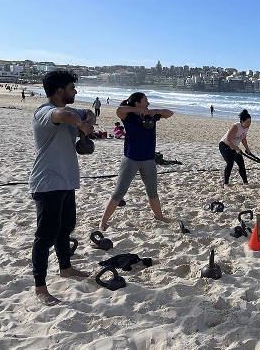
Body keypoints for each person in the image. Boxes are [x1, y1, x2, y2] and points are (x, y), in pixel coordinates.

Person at [29, 70, 96, 305]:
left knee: (64, 229)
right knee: (44, 236)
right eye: (71, 88)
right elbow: (63, 115)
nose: (75, 91)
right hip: (48, 182)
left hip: (66, 181)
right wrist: (81, 126)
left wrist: (87, 123)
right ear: (60, 91)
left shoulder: (72, 111)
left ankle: (65, 269)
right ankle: (40, 288)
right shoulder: (44, 112)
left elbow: (88, 112)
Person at [99, 92, 174, 230]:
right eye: (146, 101)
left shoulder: (152, 115)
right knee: (119, 192)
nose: (148, 103)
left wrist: (154, 111)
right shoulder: (129, 116)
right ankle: (103, 221)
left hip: (148, 160)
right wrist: (136, 110)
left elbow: (170, 113)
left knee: (152, 192)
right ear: (137, 103)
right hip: (131, 159)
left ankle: (159, 216)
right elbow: (118, 110)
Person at [219, 109, 252, 188]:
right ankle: (225, 183)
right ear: (242, 122)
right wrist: (236, 149)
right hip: (225, 145)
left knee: (241, 163)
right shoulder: (235, 126)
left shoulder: (246, 128)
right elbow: (227, 140)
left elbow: (243, 139)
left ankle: (245, 182)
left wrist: (247, 149)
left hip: (234, 147)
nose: (249, 124)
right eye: (247, 122)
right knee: (230, 163)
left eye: (250, 122)